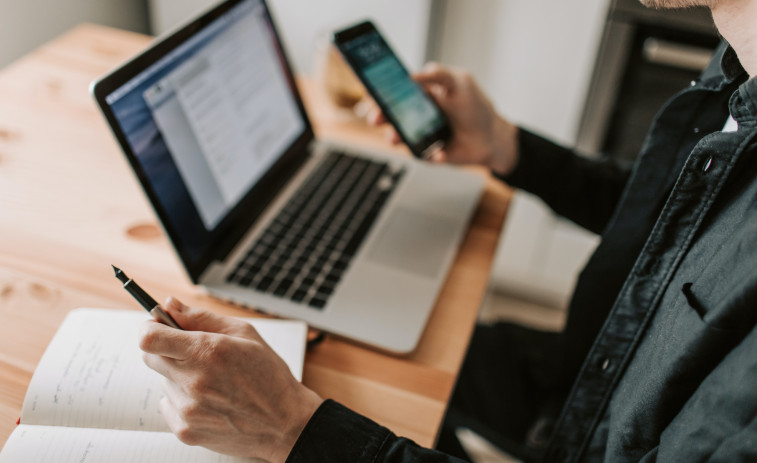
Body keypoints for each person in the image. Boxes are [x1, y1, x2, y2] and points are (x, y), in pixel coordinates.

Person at [139, 0, 757, 461]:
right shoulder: (738, 57)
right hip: (585, 369)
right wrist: (507, 147)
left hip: (592, 434)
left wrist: (295, 430)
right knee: (406, 362)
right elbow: (675, 217)